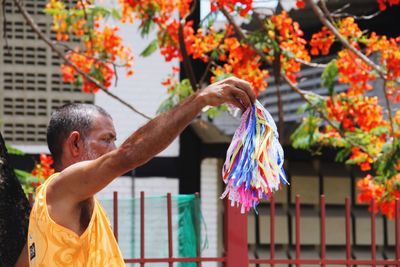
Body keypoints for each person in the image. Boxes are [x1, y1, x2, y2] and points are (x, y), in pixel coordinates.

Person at [23, 77, 256, 266]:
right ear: (75, 144)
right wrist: (200, 99)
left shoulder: (43, 211)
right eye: (106, 140)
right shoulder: (61, 186)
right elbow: (127, 155)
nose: (113, 149)